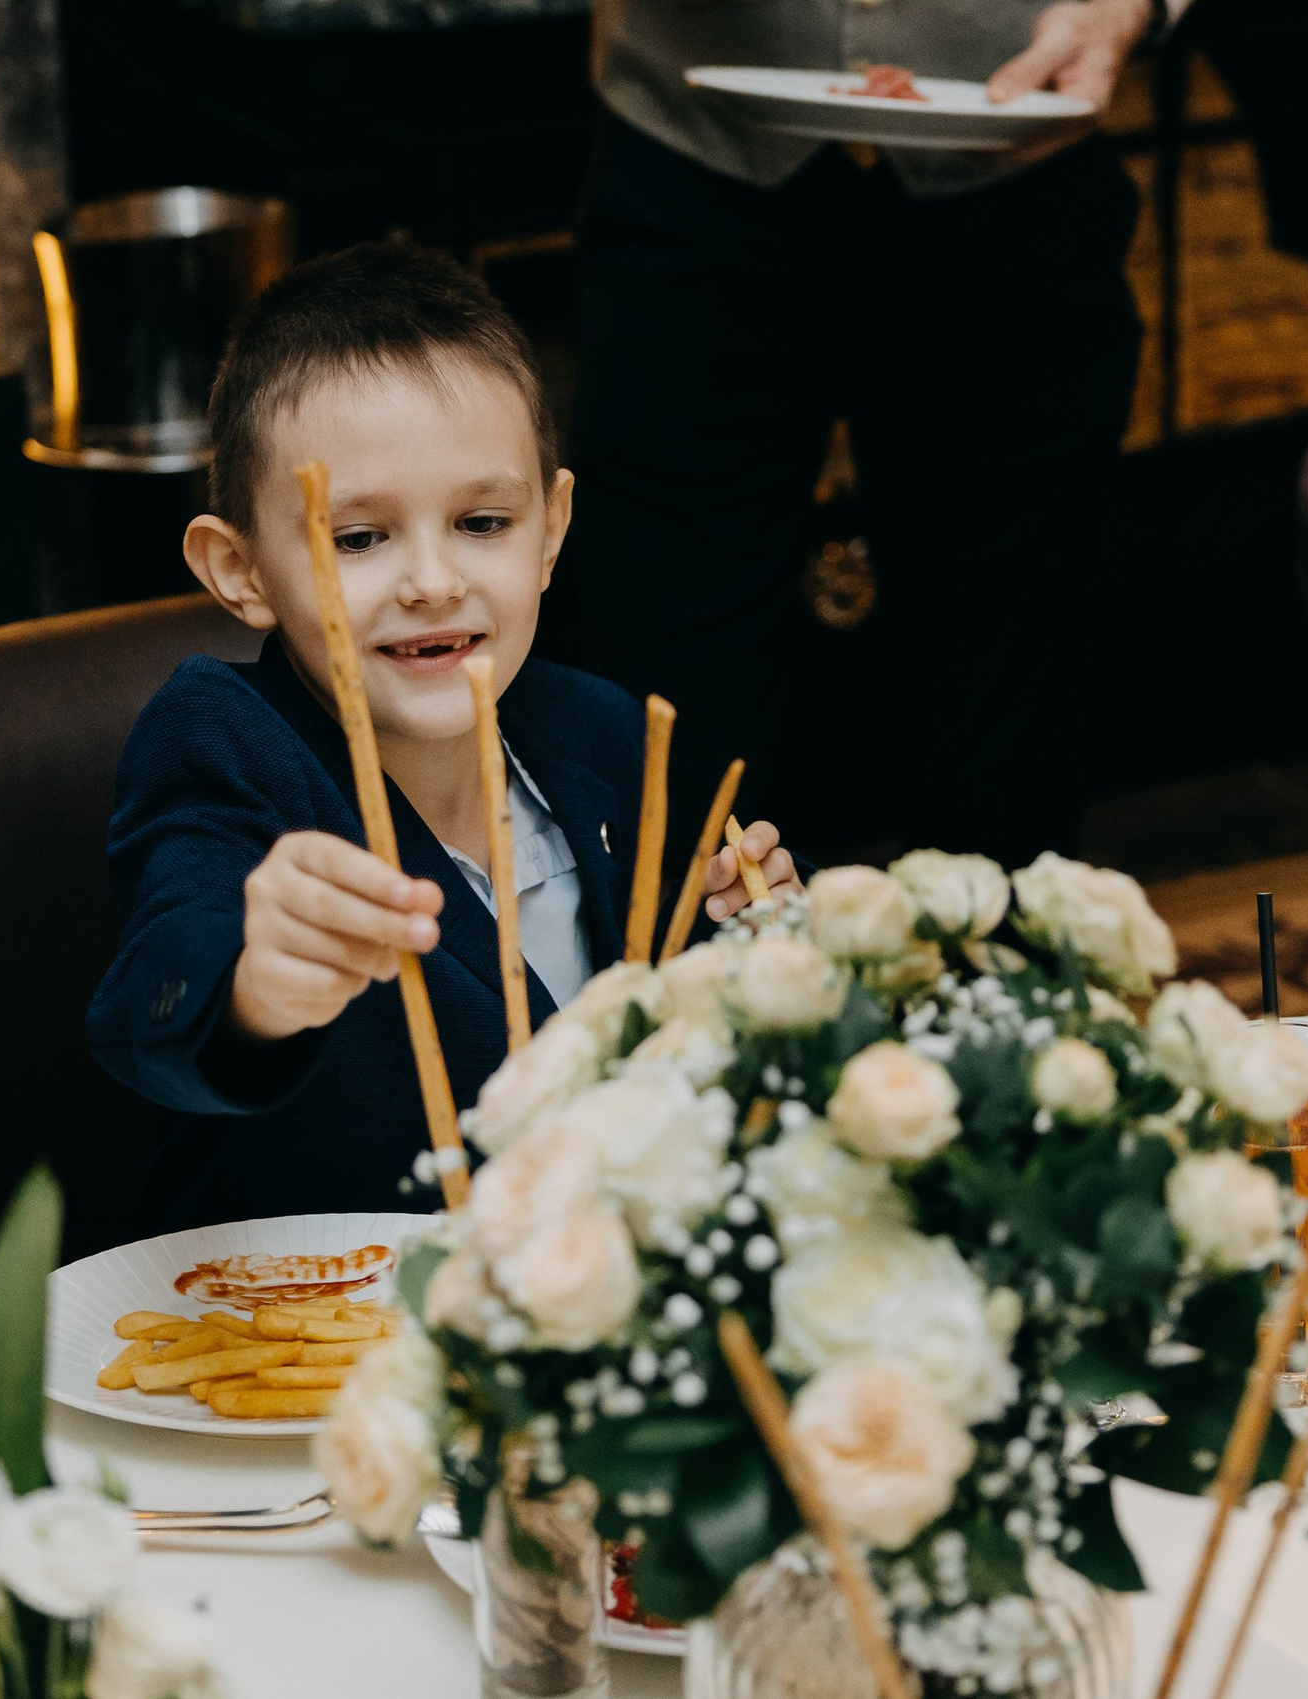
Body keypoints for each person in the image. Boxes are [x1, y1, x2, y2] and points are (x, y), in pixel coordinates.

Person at [89, 243, 801, 1230]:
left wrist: (744, 953)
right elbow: (154, 999)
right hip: (310, 1334)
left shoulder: (603, 734)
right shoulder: (220, 741)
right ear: (240, 569)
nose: (431, 580)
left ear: (549, 528)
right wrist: (253, 977)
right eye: (357, 538)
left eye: (481, 521)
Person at [566, 0, 1171, 867]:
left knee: (1007, 708)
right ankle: (666, 992)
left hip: (1021, 184)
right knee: (664, 696)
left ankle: (995, 991)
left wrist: (1130, 6)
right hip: (689, 166)